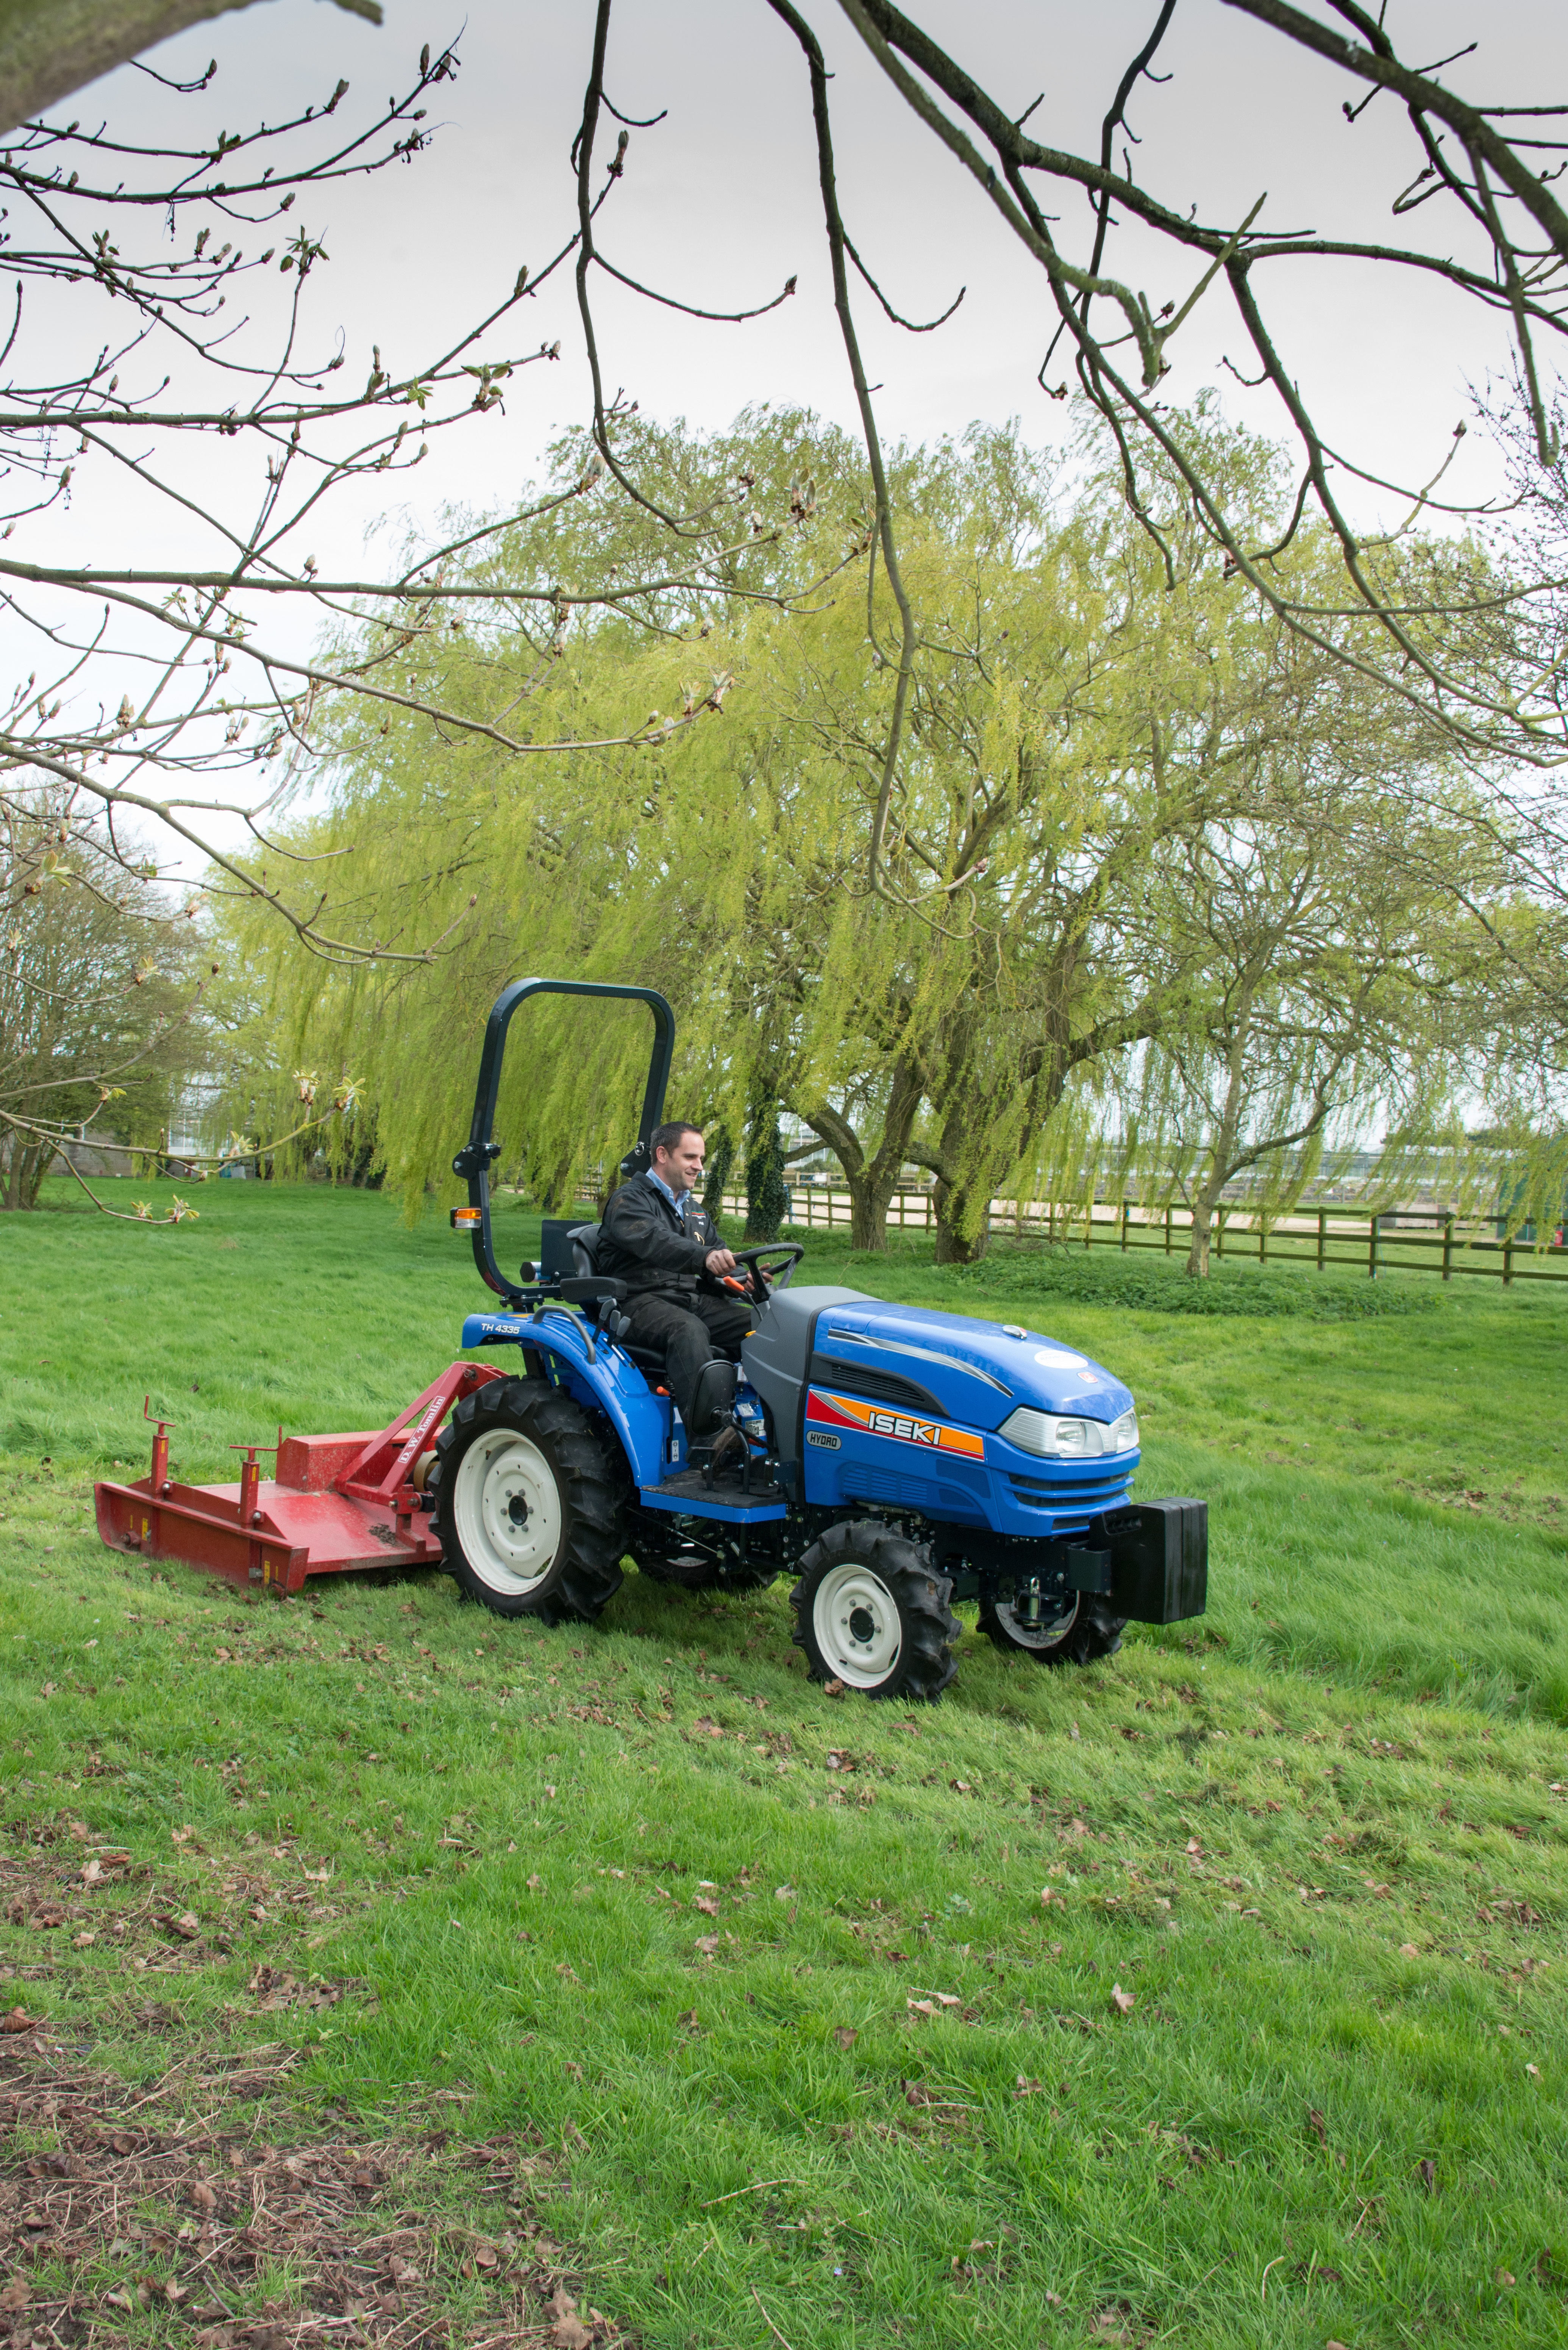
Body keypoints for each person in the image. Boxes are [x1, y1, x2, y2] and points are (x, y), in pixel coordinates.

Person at [596, 1121, 751, 1454]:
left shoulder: (694, 1211)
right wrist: (705, 1257)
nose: (699, 1166)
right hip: (638, 1302)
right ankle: (710, 1445)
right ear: (662, 1155)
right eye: (691, 1157)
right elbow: (657, 1241)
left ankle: (769, 1426)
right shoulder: (629, 1200)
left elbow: (716, 1258)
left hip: (688, 1298)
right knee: (687, 1330)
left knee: (761, 1325)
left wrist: (741, 1278)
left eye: (702, 1158)